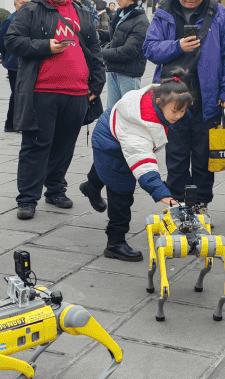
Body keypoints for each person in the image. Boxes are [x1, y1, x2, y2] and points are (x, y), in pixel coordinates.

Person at [6, 0, 105, 220]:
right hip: (43, 91)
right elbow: (12, 41)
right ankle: (27, 198)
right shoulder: (30, 10)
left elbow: (94, 50)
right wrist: (45, 46)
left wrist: (96, 84)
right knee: (36, 145)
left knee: (65, 145)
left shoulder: (81, 11)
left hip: (77, 92)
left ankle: (55, 189)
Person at [144, 0, 225, 213]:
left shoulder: (217, 14)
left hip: (206, 97)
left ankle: (201, 202)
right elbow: (150, 49)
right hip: (172, 97)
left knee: (203, 155)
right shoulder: (164, 13)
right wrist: (177, 46)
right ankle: (176, 200)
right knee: (175, 154)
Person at [80, 71, 188, 260]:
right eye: (175, 111)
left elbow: (180, 109)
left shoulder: (159, 97)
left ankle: (91, 185)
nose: (178, 115)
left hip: (110, 132)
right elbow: (144, 163)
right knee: (121, 192)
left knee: (106, 166)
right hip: (110, 143)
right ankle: (115, 243)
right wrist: (163, 195)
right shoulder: (139, 126)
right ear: (159, 103)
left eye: (182, 110)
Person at [101, 0, 150, 112]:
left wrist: (101, 54)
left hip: (129, 74)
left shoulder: (141, 22)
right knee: (112, 113)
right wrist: (97, 35)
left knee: (128, 115)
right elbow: (115, 37)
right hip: (113, 70)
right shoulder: (120, 14)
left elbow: (128, 51)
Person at [0, 0, 29, 132]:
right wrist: (6, 54)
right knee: (17, 93)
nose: (26, 5)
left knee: (20, 93)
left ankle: (12, 123)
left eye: (28, 2)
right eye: (22, 3)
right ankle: (13, 124)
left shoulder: (31, 18)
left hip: (26, 62)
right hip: (14, 63)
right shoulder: (10, 20)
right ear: (15, 5)